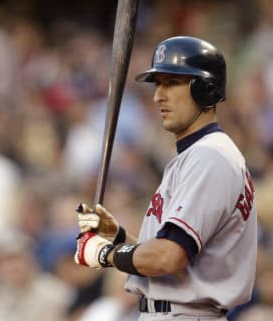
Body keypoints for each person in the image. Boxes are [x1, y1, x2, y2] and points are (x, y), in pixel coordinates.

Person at [74, 36, 257, 321]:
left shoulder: (210, 156)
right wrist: (118, 237)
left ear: (206, 89)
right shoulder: (197, 155)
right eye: (158, 84)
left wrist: (106, 254)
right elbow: (172, 260)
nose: (159, 95)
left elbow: (167, 258)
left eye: (172, 83)